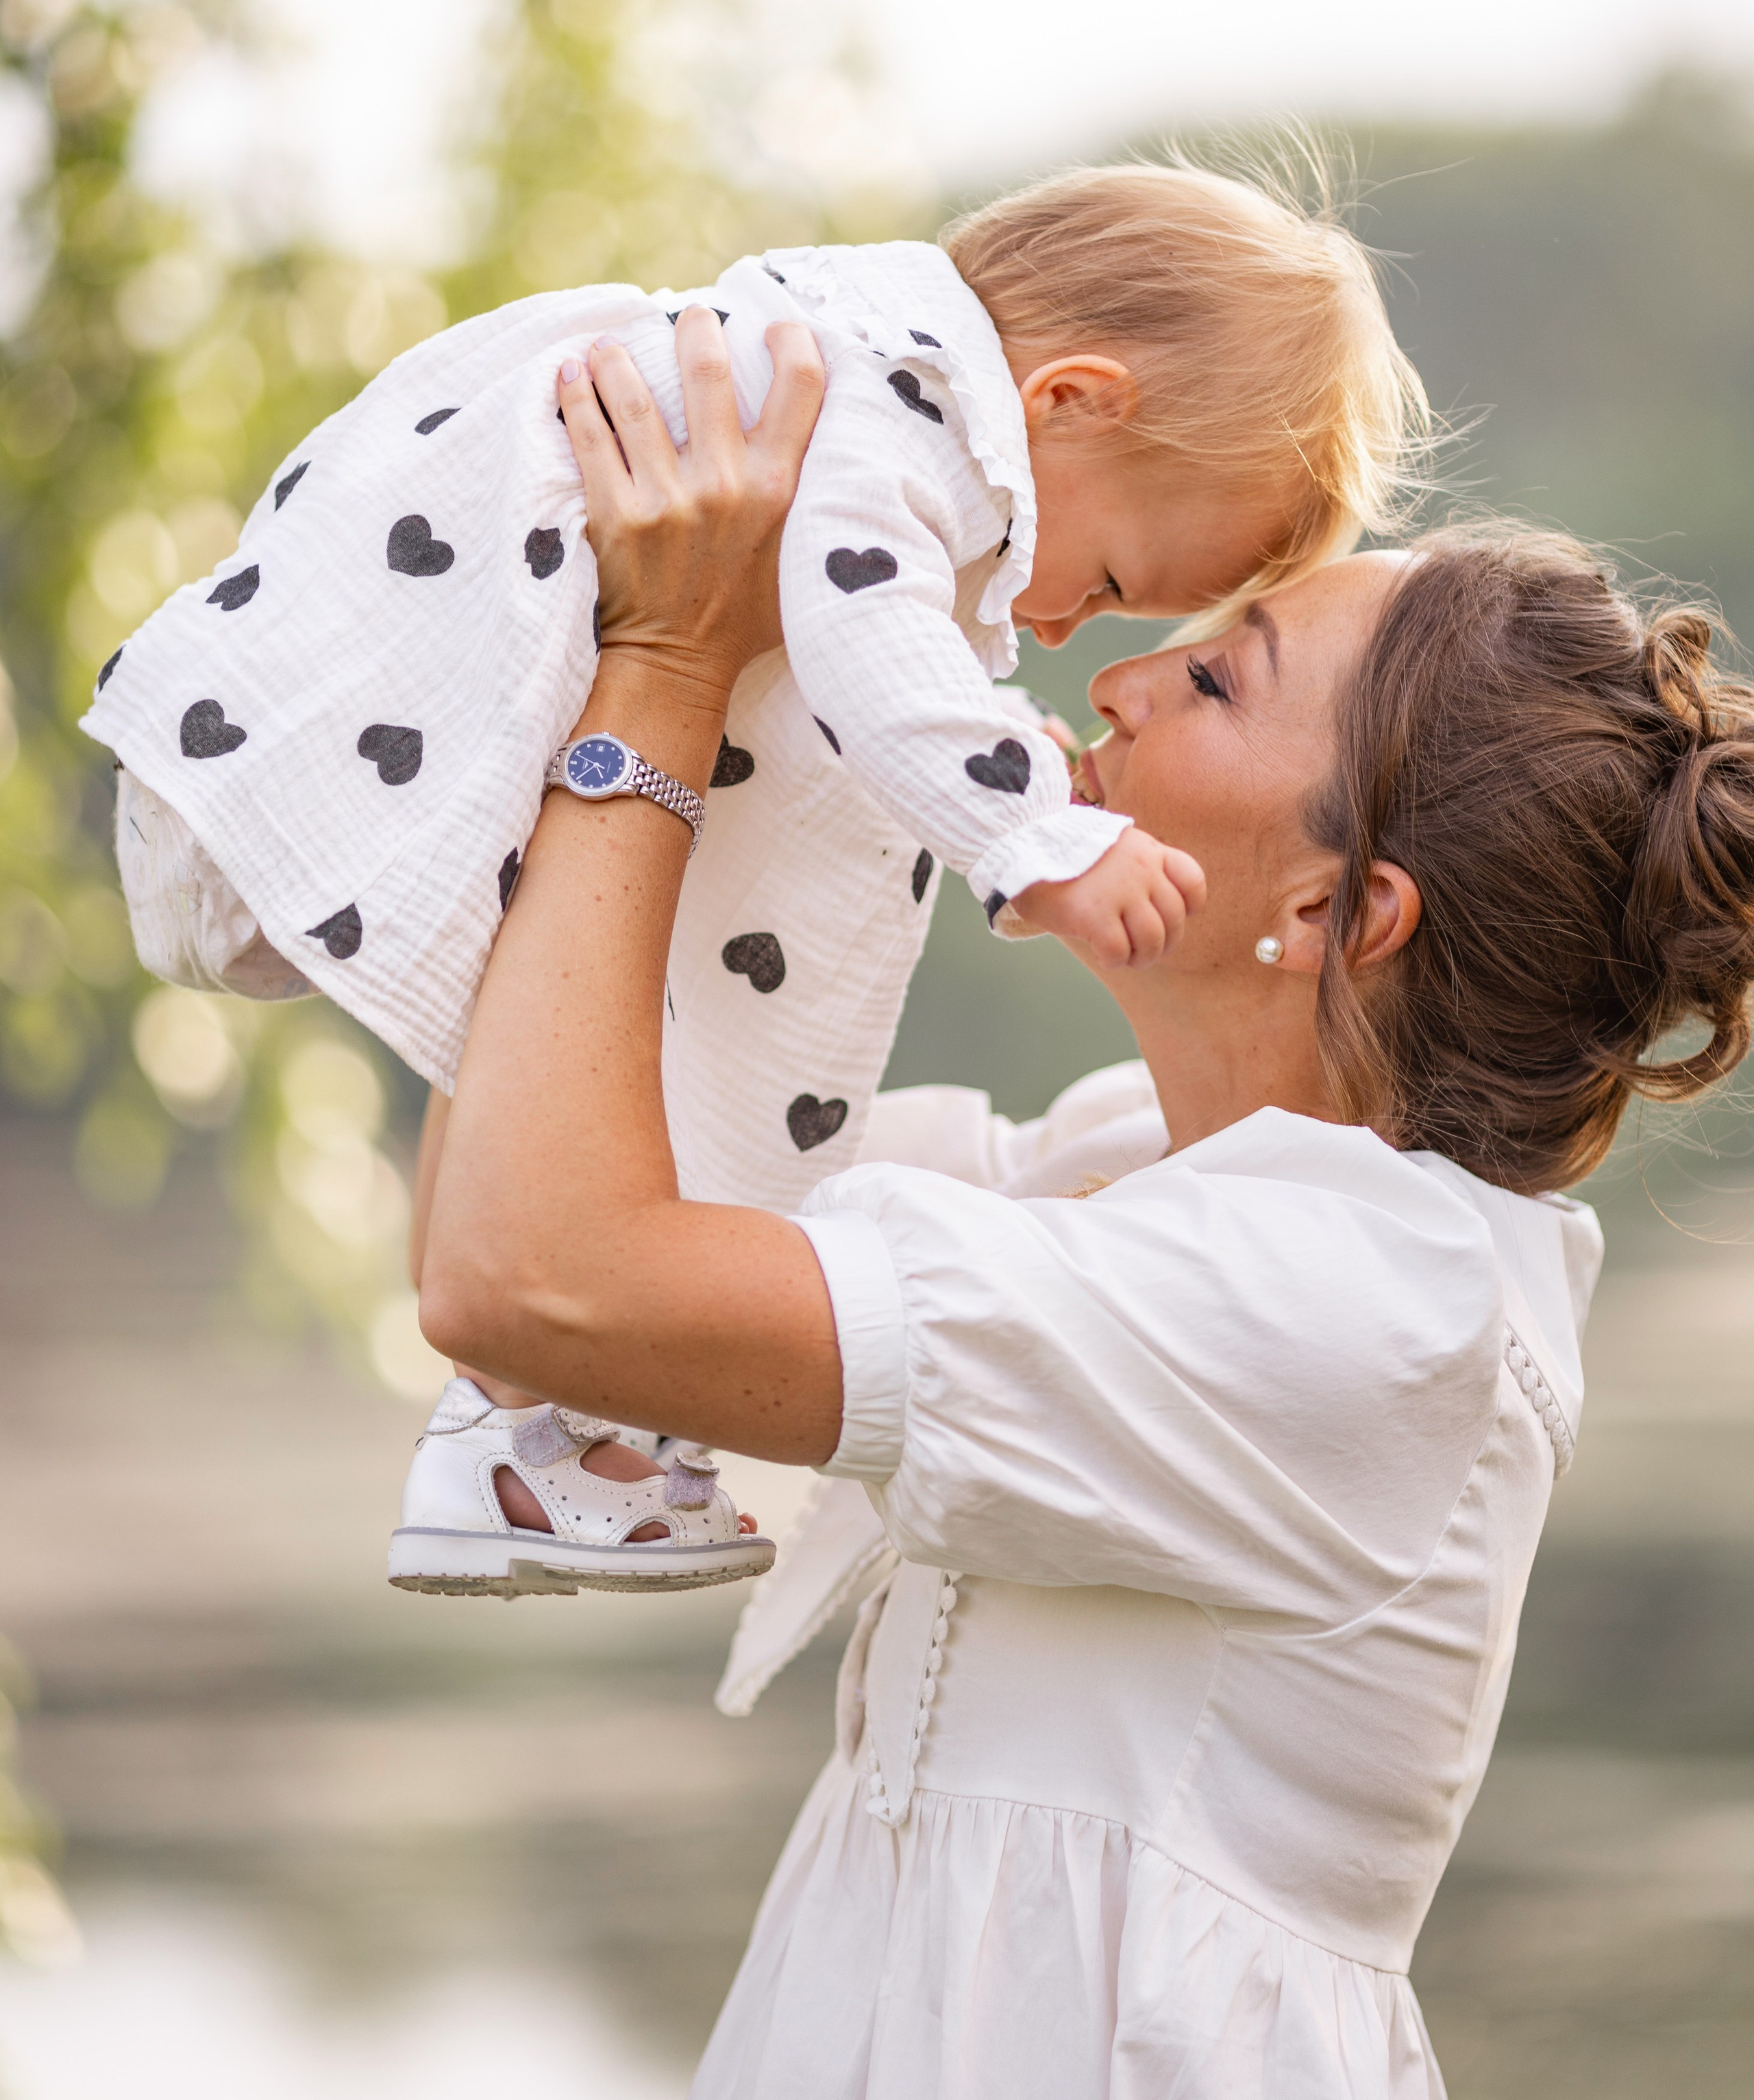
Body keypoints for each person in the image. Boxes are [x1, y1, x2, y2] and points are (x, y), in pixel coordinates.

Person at [411, 316, 1754, 2096]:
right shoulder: (1119, 1167)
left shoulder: (1367, 1304)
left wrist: (664, 673)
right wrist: (701, 665)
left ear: (1342, 913)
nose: (1121, 678)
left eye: (1217, 682)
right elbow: (512, 1231)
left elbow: (532, 1278)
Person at [89, 158, 1426, 1594]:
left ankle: (531, 1440)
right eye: (1104, 584)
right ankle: (531, 1440)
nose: (1066, 636)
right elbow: (863, 642)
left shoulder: (861, 380)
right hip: (351, 756)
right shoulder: (879, 418)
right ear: (1070, 400)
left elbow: (867, 672)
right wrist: (1031, 836)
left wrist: (975, 747)